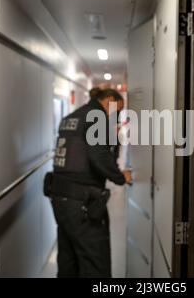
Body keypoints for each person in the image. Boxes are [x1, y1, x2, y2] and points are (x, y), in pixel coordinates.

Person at [45, 88, 133, 278]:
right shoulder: (97, 117)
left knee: (69, 260)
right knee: (95, 264)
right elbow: (99, 155)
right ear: (109, 99)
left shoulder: (71, 118)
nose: (117, 116)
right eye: (117, 110)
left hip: (60, 198)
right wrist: (120, 176)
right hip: (82, 204)